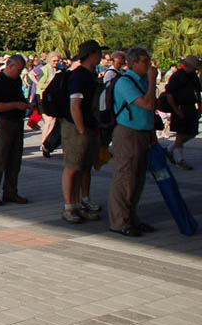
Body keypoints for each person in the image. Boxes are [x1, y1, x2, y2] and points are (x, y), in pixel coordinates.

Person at [107, 46, 158, 237]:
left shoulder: (144, 81)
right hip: (128, 133)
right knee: (125, 178)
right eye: (145, 61)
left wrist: (152, 133)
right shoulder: (125, 82)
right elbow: (147, 103)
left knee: (138, 178)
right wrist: (153, 81)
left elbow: (150, 110)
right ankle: (119, 221)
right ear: (133, 62)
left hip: (144, 132)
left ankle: (132, 216)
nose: (149, 65)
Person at [61, 40, 104, 224]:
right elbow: (75, 105)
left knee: (84, 167)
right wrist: (81, 129)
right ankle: (69, 206)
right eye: (98, 53)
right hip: (76, 127)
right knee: (73, 166)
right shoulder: (79, 76)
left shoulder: (90, 74)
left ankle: (80, 204)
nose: (101, 56)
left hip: (89, 127)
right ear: (91, 54)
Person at [0, 55, 31, 206]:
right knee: (0, 157)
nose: (20, 73)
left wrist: (26, 105)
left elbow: (19, 97)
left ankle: (10, 191)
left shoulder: (16, 80)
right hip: (4, 122)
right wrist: (16, 105)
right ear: (10, 66)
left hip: (17, 121)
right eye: (18, 70)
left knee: (15, 159)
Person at [162, 55, 201, 170]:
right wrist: (176, 110)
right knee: (181, 133)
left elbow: (198, 92)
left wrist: (200, 107)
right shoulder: (177, 76)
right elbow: (169, 94)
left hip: (191, 106)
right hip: (180, 106)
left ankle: (170, 148)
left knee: (192, 132)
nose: (195, 69)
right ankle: (180, 159)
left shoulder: (193, 76)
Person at [37, 52, 61, 157]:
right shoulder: (44, 69)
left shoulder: (56, 69)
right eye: (54, 61)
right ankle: (44, 142)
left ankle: (47, 141)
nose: (56, 63)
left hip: (52, 98)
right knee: (49, 120)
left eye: (57, 61)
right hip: (42, 97)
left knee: (53, 120)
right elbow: (40, 84)